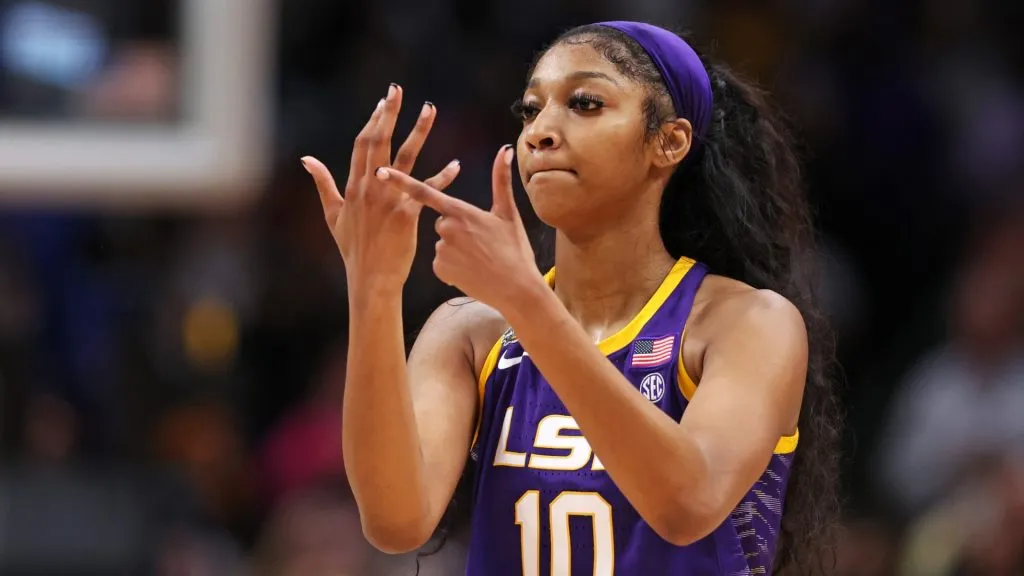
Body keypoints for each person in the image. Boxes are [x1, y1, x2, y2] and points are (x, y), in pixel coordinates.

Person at [303, 20, 841, 576]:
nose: (540, 131)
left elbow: (688, 505)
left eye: (584, 103)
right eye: (530, 110)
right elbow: (395, 522)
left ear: (669, 141)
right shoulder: (472, 332)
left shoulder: (748, 322)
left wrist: (526, 302)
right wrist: (372, 286)